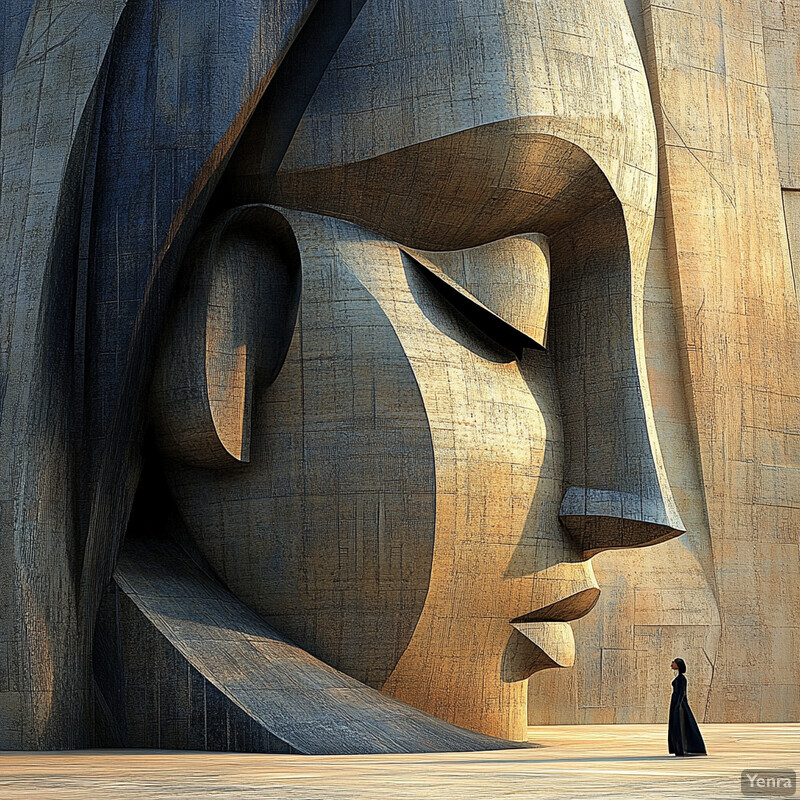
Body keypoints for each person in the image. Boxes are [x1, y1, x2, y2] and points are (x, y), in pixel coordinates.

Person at [668, 658, 707, 756]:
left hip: (679, 704)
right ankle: (678, 748)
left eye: (674, 663)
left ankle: (685, 748)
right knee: (676, 726)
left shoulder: (682, 679)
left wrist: (678, 705)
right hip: (676, 702)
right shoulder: (679, 677)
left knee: (681, 725)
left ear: (678, 665)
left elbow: (682, 693)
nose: (672, 664)